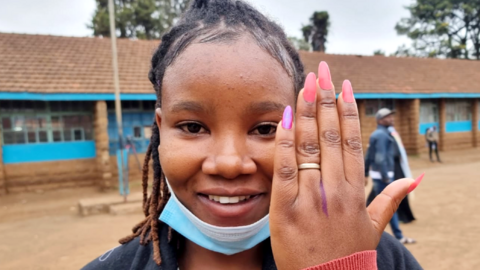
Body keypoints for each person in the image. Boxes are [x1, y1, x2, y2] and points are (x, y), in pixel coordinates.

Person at [82, 1, 423, 269]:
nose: (229, 164)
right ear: (160, 132)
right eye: (193, 127)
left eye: (265, 129)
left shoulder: (375, 259)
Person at [364, 108, 417, 245]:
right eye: (388, 117)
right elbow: (380, 157)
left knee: (373, 204)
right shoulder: (382, 135)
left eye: (391, 116)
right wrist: (386, 176)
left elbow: (369, 155)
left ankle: (356, 227)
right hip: (383, 176)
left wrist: (365, 173)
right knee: (390, 206)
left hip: (379, 175)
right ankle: (399, 236)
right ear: (380, 120)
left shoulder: (379, 134)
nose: (391, 119)